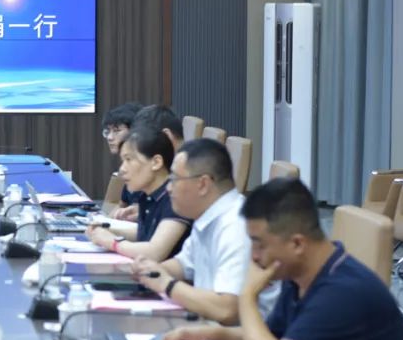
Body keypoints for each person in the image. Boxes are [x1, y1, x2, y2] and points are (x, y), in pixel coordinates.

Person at [161, 179, 403, 340]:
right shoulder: (300, 276)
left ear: (297, 243)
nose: (254, 256)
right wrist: (214, 335)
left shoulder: (343, 293)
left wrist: (247, 296)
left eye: (259, 244)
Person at [132, 138, 278, 324]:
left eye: (174, 179)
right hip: (208, 327)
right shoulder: (208, 215)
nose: (168, 188)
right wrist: (151, 270)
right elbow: (184, 264)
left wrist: (167, 285)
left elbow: (227, 309)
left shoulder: (236, 226)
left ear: (203, 184)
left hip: (240, 338)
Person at [86, 127, 192, 261]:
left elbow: (154, 252)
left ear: (156, 162)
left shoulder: (175, 197)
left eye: (129, 159)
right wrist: (108, 230)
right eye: (122, 161)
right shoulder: (147, 195)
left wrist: (113, 242)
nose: (122, 169)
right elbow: (146, 233)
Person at [101, 102, 142, 220]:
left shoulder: (144, 170)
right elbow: (120, 205)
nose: (109, 137)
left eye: (116, 130)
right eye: (108, 131)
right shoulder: (128, 169)